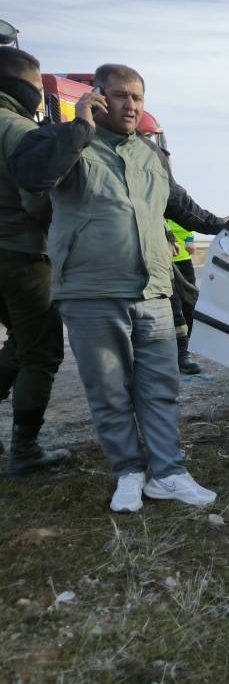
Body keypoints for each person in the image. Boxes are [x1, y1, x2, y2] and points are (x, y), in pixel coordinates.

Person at [9, 63, 226, 512]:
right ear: (97, 97)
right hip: (91, 291)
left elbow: (185, 209)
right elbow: (33, 177)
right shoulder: (61, 142)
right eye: (121, 96)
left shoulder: (152, 155)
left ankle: (167, 473)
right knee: (109, 390)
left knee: (160, 386)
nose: (131, 106)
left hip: (152, 292)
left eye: (138, 98)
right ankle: (128, 472)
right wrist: (79, 127)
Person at [0, 47, 71, 477]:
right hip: (21, 255)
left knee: (19, 344)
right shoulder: (18, 129)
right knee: (41, 352)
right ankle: (24, 451)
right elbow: (37, 199)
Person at [166, 219, 202, 374]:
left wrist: (189, 240)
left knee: (191, 304)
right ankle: (182, 354)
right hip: (164, 261)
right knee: (175, 307)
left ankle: (192, 344)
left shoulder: (175, 202)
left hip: (184, 260)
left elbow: (188, 221)